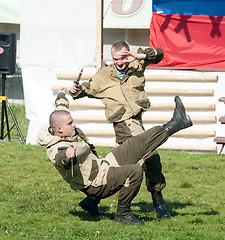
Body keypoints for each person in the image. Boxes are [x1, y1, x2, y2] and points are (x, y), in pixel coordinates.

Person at [37, 92, 192, 225]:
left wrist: (61, 95)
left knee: (136, 143)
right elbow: (60, 159)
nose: (74, 125)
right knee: (135, 172)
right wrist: (68, 157)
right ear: (59, 129)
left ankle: (176, 123)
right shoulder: (56, 147)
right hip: (97, 183)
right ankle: (122, 214)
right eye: (70, 123)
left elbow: (61, 108)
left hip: (102, 165)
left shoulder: (60, 125)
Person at [69, 41, 172, 218]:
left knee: (122, 164)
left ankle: (92, 201)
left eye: (123, 58)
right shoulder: (104, 74)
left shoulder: (136, 63)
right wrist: (75, 90)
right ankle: (158, 202)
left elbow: (159, 54)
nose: (120, 62)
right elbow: (85, 89)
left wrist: (137, 56)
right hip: (123, 124)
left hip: (137, 121)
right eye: (116, 59)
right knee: (151, 157)